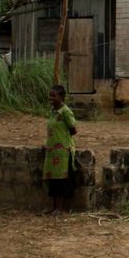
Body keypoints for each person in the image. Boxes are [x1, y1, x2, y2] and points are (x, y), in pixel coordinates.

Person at [43, 85, 77, 215]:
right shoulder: (53, 112)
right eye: (50, 95)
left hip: (63, 150)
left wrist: (61, 141)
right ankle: (53, 206)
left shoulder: (66, 112)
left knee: (61, 179)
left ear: (61, 97)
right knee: (53, 179)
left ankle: (59, 207)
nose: (50, 98)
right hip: (52, 150)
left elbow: (73, 130)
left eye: (53, 96)